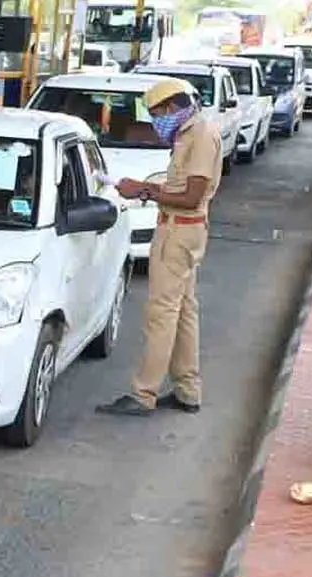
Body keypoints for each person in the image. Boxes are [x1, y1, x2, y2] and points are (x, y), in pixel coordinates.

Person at [97, 79, 223, 417]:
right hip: (183, 230)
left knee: (161, 315)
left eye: (156, 114)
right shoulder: (189, 133)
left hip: (179, 232)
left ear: (171, 108)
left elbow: (192, 196)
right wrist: (145, 189)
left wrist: (145, 190)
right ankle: (187, 390)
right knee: (182, 313)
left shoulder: (200, 136)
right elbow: (182, 188)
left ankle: (143, 394)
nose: (155, 123)